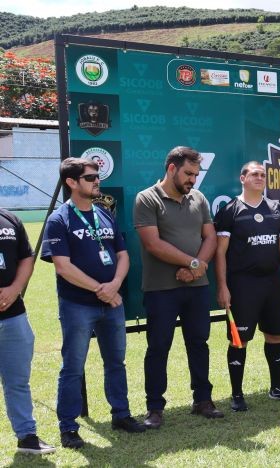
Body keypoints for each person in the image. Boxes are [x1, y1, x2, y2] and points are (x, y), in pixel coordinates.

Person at [42, 158, 145, 448]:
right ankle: (68, 428)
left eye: (97, 176)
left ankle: (121, 414)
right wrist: (102, 289)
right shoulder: (59, 219)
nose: (96, 181)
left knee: (116, 362)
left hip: (111, 303)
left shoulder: (105, 214)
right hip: (78, 304)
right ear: (71, 183)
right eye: (89, 178)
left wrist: (113, 287)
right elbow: (62, 266)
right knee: (73, 366)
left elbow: (123, 255)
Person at [134, 146, 221, 426]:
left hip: (197, 287)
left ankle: (203, 400)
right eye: (188, 174)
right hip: (161, 289)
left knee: (199, 343)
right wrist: (193, 264)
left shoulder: (199, 198)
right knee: (159, 346)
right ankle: (155, 408)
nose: (192, 180)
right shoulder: (146, 199)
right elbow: (153, 244)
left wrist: (195, 269)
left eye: (195, 175)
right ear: (171, 168)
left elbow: (210, 237)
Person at [212, 161, 280, 410]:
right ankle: (237, 394)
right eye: (254, 174)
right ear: (242, 178)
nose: (259, 178)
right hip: (242, 284)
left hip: (272, 282)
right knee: (240, 340)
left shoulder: (275, 207)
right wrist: (222, 286)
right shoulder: (230, 209)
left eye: (262, 175)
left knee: (275, 333)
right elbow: (220, 253)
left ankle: (277, 387)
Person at [0, 208, 55, 454]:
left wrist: (16, 288)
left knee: (18, 382)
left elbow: (26, 257)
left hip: (14, 316)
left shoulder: (9, 218)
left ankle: (27, 437)